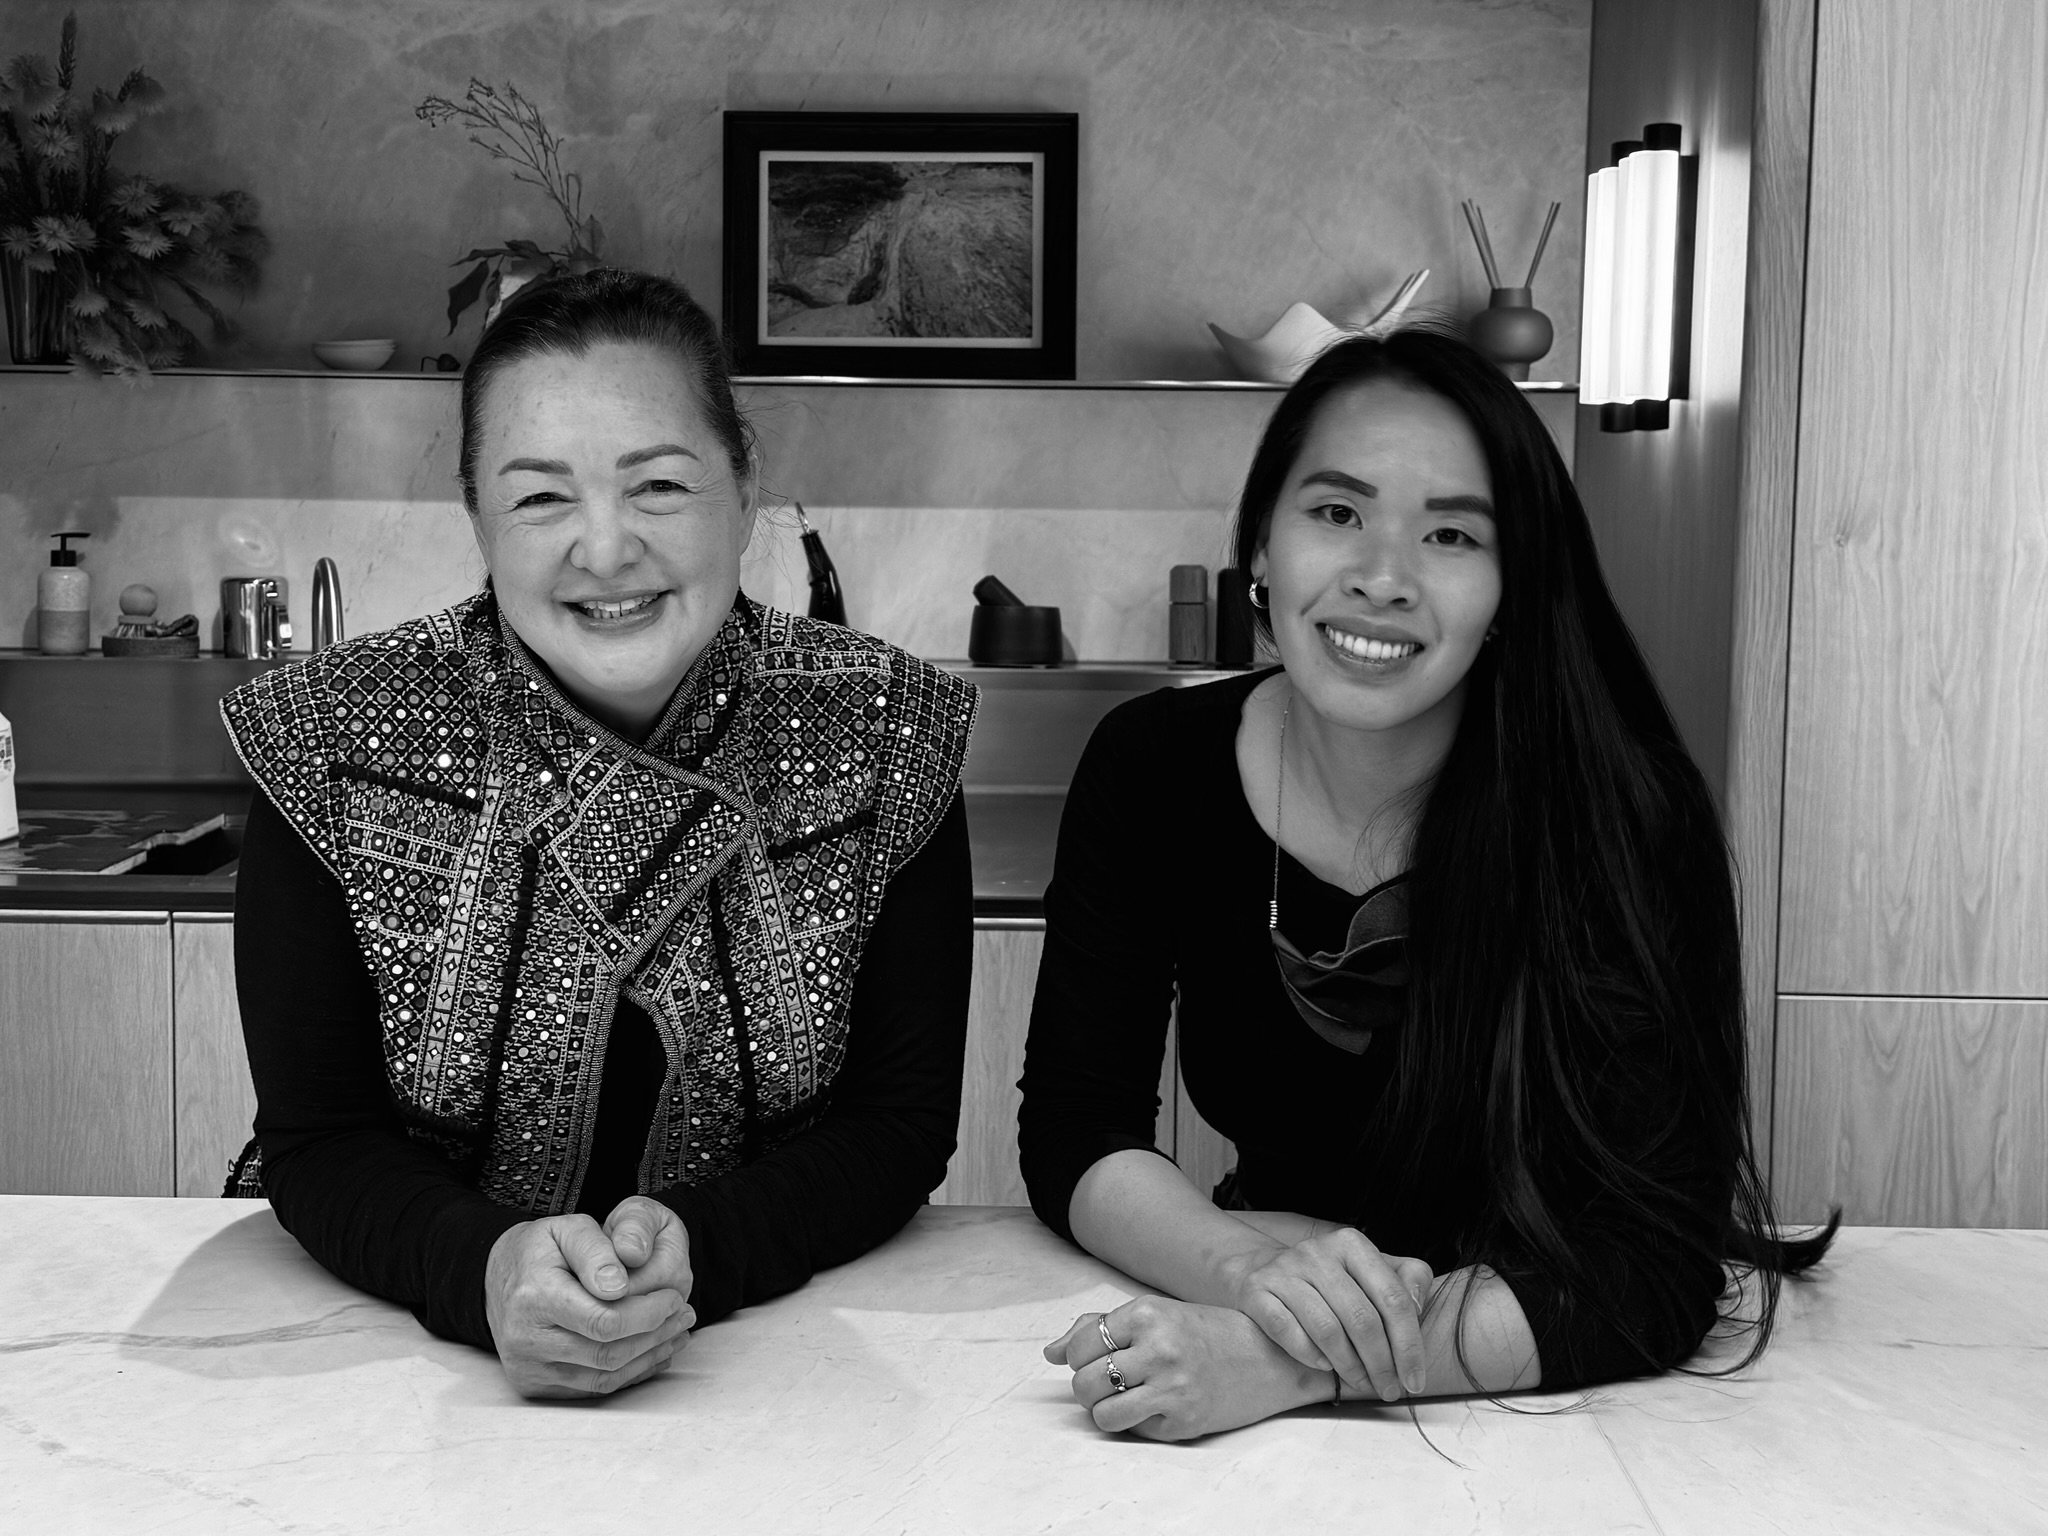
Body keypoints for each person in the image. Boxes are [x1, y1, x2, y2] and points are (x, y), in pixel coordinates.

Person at [1020, 328, 1835, 1441]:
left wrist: (1296, 1362)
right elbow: (1076, 1130)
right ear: (1260, 538)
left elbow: (1650, 1264)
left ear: (1508, 585)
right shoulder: (1151, 763)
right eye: (1335, 512)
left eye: (1449, 533)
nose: (1381, 578)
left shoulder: (1617, 814)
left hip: (1562, 1406)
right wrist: (1251, 1277)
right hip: (1265, 1300)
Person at [221, 269, 977, 1399]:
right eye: (539, 499)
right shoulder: (327, 737)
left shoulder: (883, 728)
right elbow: (320, 1143)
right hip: (380, 1353)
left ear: (743, 481)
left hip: (780, 1363)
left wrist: (699, 1252)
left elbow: (897, 1126)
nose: (606, 548)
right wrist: (481, 1268)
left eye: (658, 484)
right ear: (474, 513)